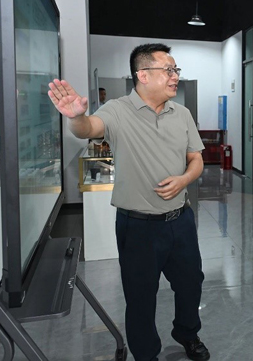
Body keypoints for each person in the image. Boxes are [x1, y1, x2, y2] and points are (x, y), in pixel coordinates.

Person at [47, 43, 209, 361]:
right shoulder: (118, 110)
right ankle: (146, 354)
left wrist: (184, 180)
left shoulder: (182, 114)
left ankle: (187, 333)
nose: (175, 76)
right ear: (143, 75)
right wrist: (76, 117)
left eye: (176, 70)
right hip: (138, 227)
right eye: (169, 70)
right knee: (140, 296)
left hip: (181, 220)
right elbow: (88, 128)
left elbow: (196, 159)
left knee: (192, 283)